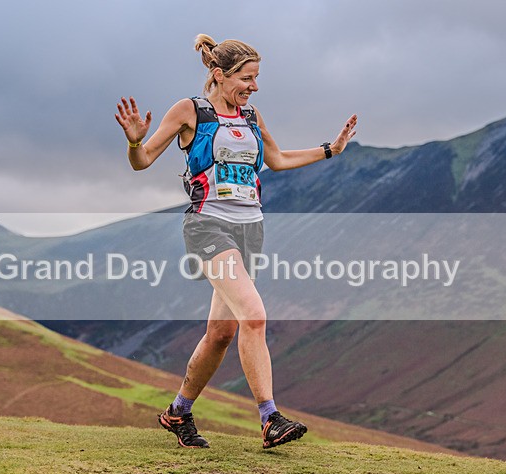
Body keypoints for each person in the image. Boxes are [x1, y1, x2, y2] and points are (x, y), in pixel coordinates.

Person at [115, 34, 357, 449]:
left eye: (257, 78)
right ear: (219, 75)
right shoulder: (190, 110)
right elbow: (142, 162)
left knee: (221, 333)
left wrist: (330, 149)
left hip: (250, 231)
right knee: (254, 315)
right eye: (247, 78)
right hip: (208, 227)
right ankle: (269, 418)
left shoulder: (251, 116)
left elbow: (277, 160)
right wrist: (135, 139)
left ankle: (178, 412)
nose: (254, 86)